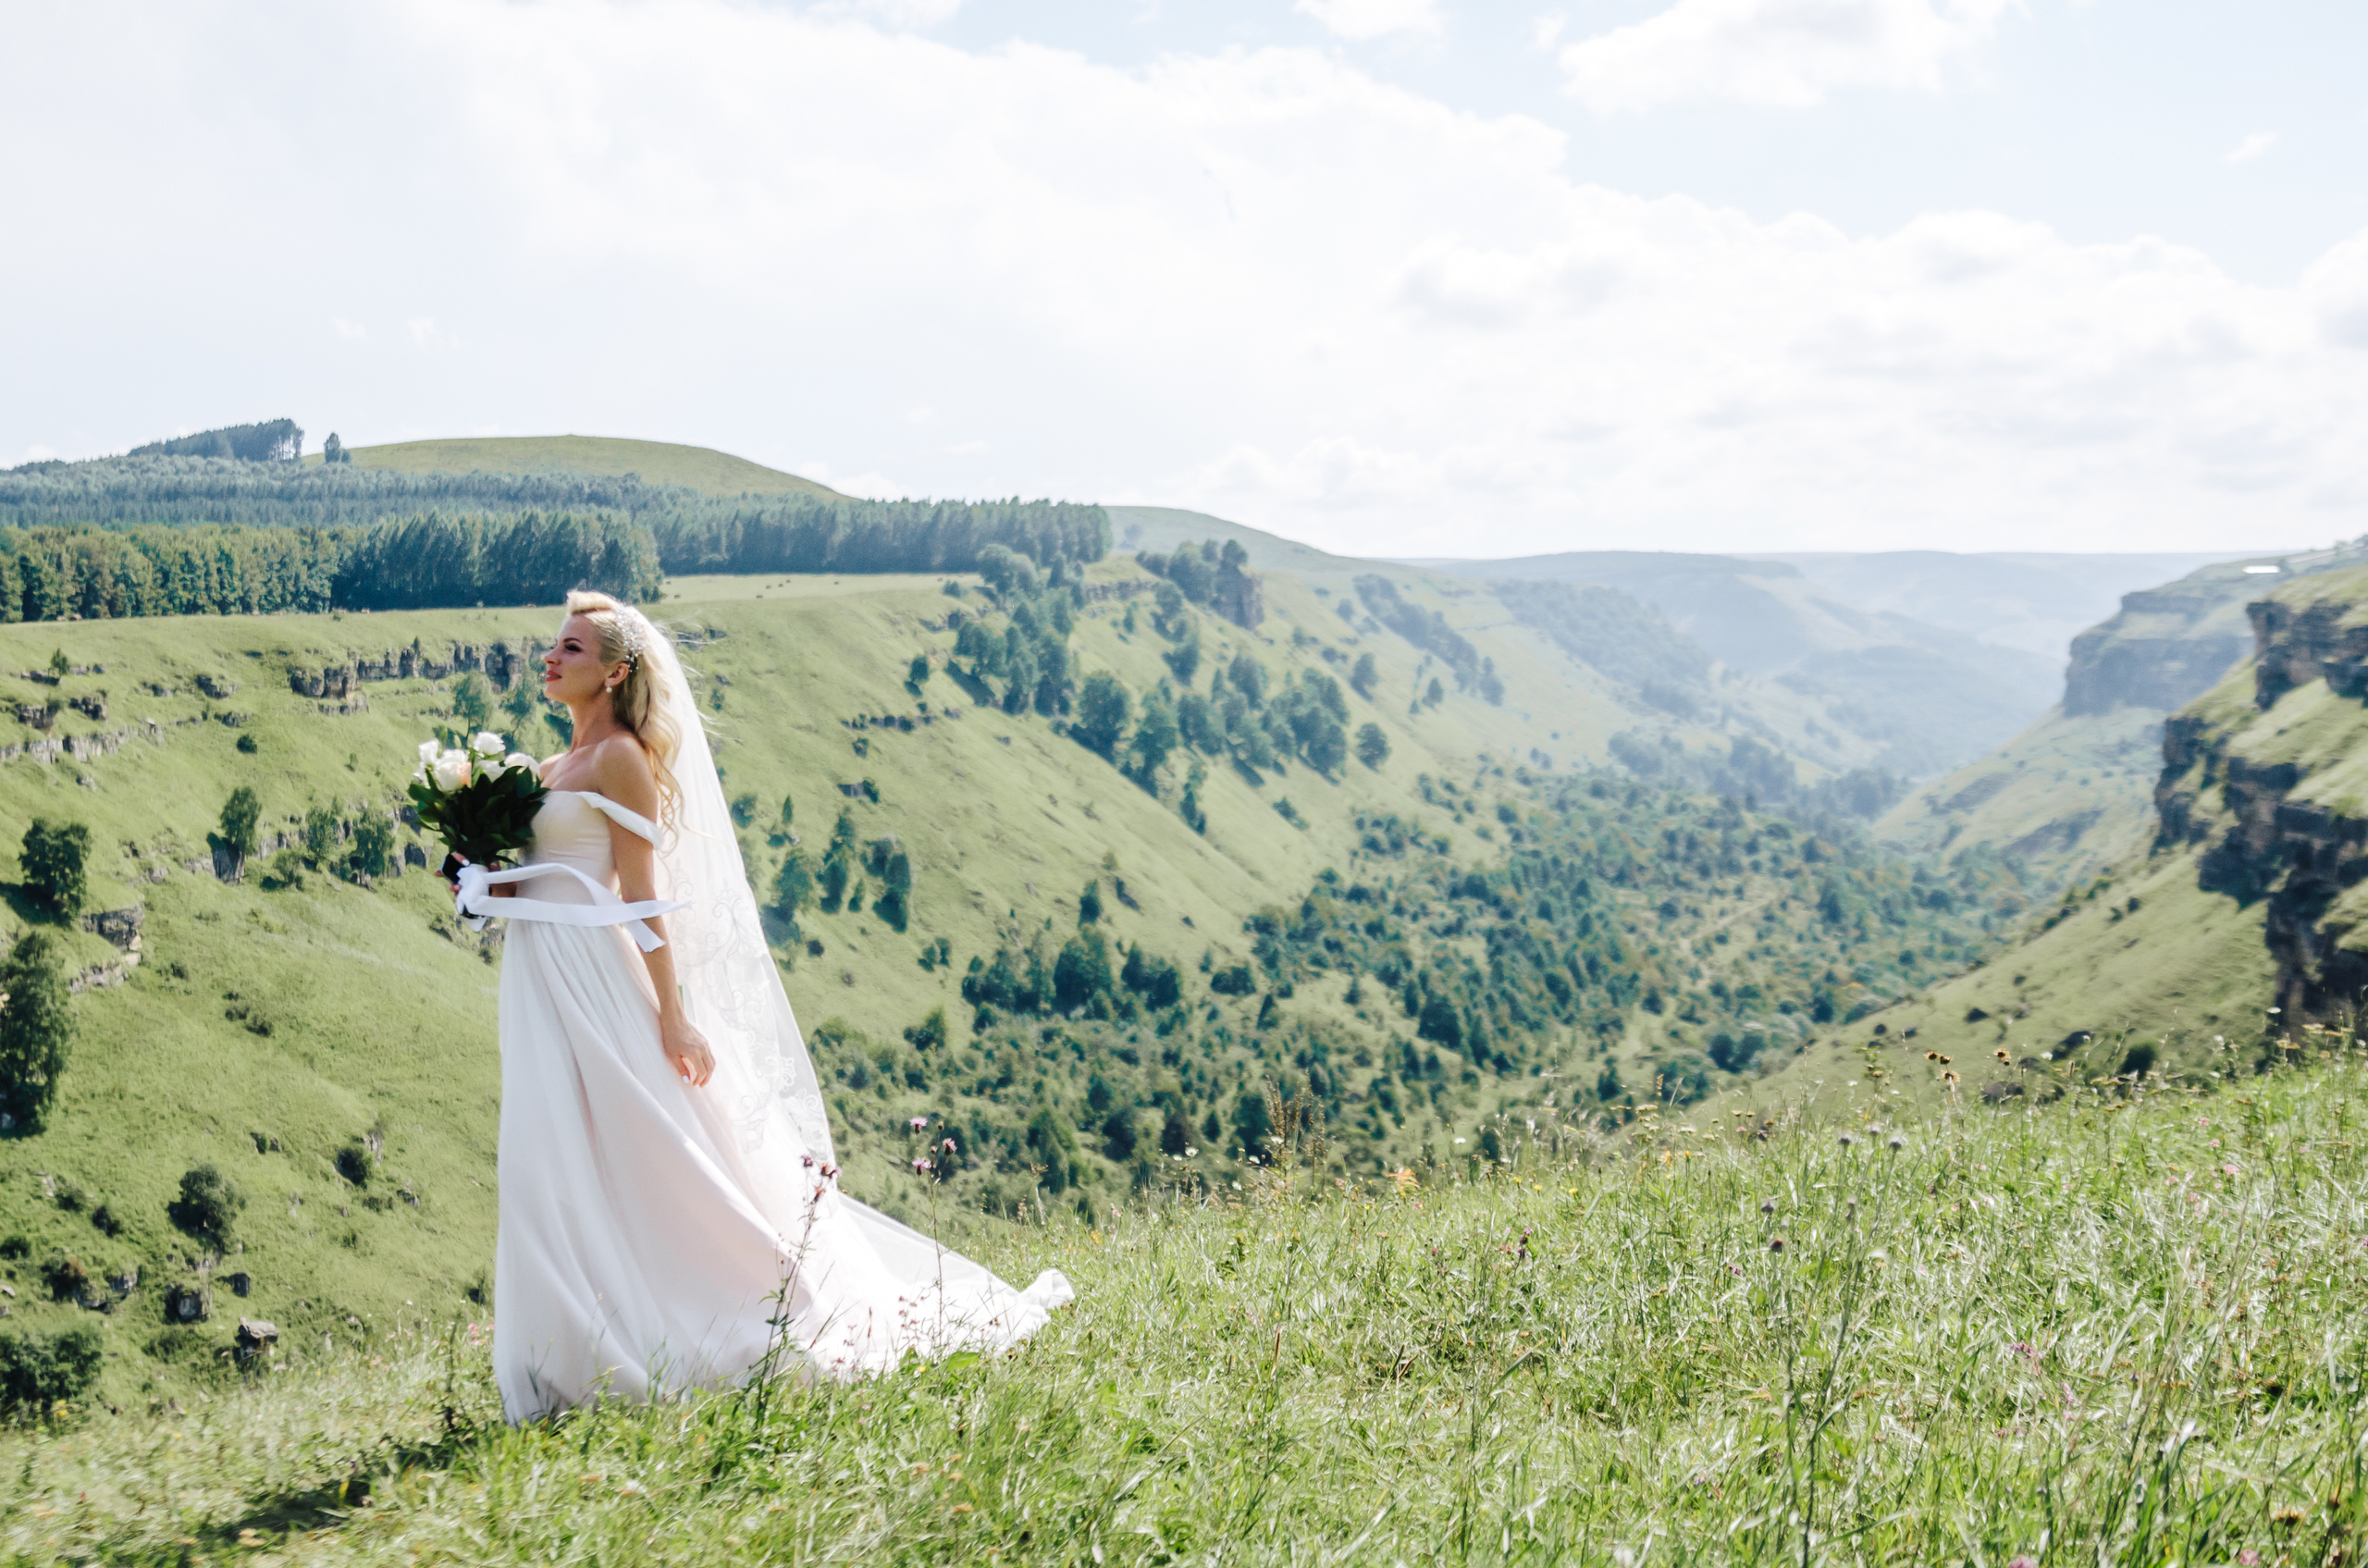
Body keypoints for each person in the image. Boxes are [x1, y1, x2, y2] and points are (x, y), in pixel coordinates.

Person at [454, 590, 1070, 1422]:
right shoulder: (546, 767)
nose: (551, 657)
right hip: (537, 976)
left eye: (572, 648)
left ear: (616, 672)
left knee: (629, 1152)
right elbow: (537, 883)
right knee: (542, 1157)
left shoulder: (620, 759)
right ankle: (554, 1363)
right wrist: (475, 883)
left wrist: (671, 1014)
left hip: (594, 979)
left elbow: (642, 900)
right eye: (554, 644)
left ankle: (660, 1335)